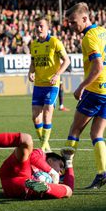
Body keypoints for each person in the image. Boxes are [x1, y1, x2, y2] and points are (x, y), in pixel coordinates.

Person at [63, 2, 106, 189]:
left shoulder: (88, 38)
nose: (72, 26)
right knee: (96, 133)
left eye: (74, 22)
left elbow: (97, 66)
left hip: (97, 91)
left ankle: (65, 174)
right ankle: (101, 172)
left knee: (75, 130)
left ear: (84, 18)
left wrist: (81, 86)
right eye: (69, 23)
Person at [0, 128, 75, 200]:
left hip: (23, 184)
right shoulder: (41, 155)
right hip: (14, 172)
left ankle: (44, 188)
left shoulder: (56, 177)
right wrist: (51, 171)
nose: (60, 171)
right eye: (60, 166)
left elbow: (70, 188)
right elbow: (32, 156)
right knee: (26, 139)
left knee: (68, 191)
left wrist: (68, 162)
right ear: (51, 160)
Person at [28, 17, 71, 152]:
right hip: (38, 85)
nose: (39, 29)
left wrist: (57, 74)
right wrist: (30, 72)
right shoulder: (34, 44)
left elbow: (67, 61)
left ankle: (43, 146)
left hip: (52, 84)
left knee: (47, 113)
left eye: (41, 26)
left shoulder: (54, 42)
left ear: (48, 27)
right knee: (35, 117)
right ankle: (45, 144)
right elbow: (33, 62)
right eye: (37, 27)